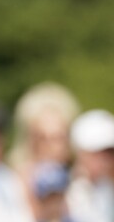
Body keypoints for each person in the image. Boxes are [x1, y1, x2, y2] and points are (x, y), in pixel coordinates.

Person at [8, 82, 81, 211]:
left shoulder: (78, 185)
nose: (51, 147)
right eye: (43, 138)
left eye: (58, 138)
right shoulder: (10, 185)